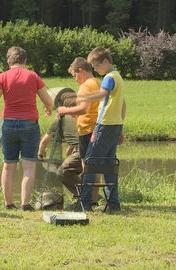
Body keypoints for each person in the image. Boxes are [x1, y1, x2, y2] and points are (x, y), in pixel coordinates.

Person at [0, 46, 53, 211]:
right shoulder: (33, 76)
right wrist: (48, 108)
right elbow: (48, 100)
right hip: (29, 123)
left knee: (8, 165)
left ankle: (8, 203)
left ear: (9, 62)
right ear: (25, 61)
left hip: (8, 123)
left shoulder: (3, 77)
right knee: (29, 166)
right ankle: (25, 204)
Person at [76, 47, 126, 211]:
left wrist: (83, 97)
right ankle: (113, 203)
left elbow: (102, 94)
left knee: (91, 163)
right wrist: (121, 126)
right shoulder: (118, 77)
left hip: (104, 125)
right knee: (109, 164)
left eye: (96, 66)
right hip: (115, 125)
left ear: (105, 61)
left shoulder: (109, 78)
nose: (96, 69)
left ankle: (85, 203)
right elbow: (123, 104)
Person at [56, 57, 102, 207]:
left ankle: (86, 201)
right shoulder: (97, 83)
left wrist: (64, 110)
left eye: (75, 75)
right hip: (95, 128)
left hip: (87, 130)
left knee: (86, 167)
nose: (75, 80)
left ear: (81, 71)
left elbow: (84, 109)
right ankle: (93, 200)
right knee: (94, 168)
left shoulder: (86, 86)